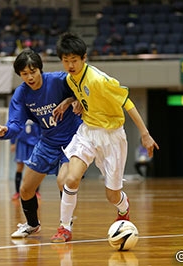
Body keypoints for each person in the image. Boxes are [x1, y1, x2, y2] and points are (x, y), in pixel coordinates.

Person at [50, 32, 159, 243]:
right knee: (70, 179)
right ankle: (64, 227)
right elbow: (80, 91)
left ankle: (123, 206)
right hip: (87, 132)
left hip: (112, 137)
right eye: (66, 61)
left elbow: (127, 102)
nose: (70, 65)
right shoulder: (70, 79)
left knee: (112, 195)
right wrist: (70, 101)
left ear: (84, 58)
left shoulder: (99, 80)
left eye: (74, 60)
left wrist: (145, 135)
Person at [0, 48, 82, 238]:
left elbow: (82, 90)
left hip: (73, 139)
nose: (30, 77)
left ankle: (65, 226)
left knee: (64, 181)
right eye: (24, 74)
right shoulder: (22, 94)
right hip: (48, 141)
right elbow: (16, 123)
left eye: (33, 72)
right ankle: (32, 225)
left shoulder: (59, 80)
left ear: (40, 69)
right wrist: (7, 131)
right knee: (26, 189)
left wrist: (71, 100)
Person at [10, 119, 41, 200]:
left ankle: (36, 191)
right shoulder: (21, 111)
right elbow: (14, 125)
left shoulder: (36, 110)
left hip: (34, 143)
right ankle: (17, 192)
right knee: (19, 167)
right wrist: (12, 142)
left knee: (34, 167)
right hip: (21, 142)